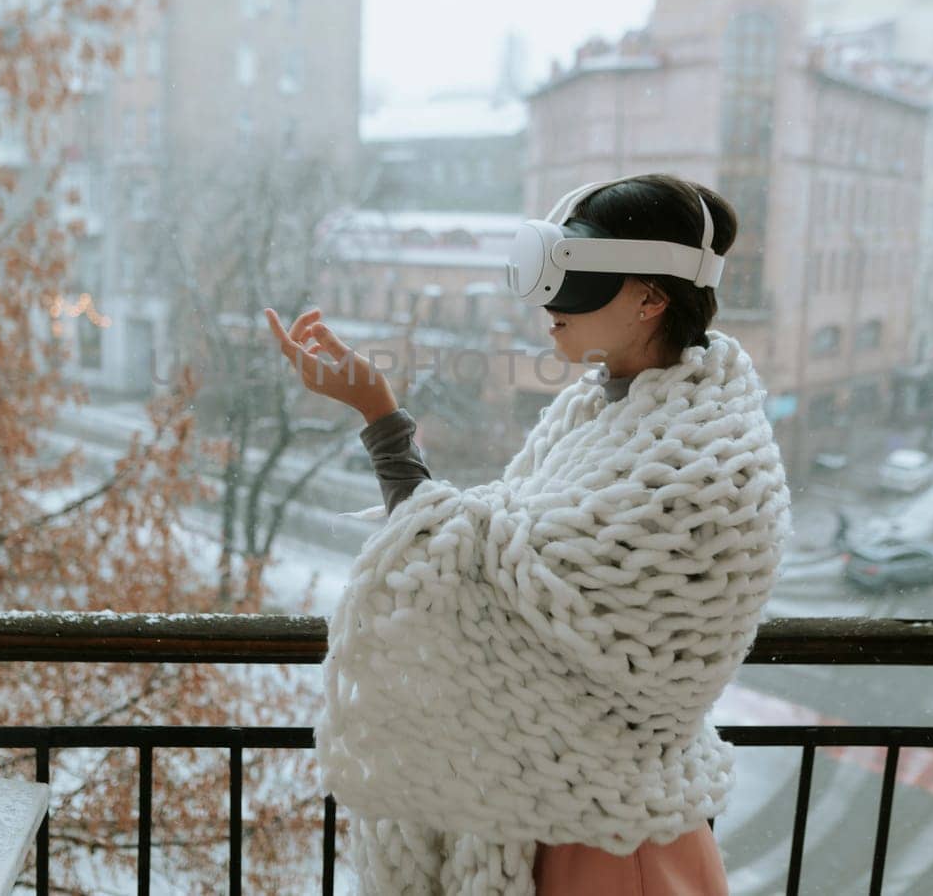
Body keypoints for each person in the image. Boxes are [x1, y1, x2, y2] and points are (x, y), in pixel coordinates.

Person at [264, 173, 792, 895]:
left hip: (610, 850)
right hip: (556, 817)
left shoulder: (708, 466)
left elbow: (488, 581)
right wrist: (378, 415)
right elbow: (491, 561)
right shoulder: (600, 412)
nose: (549, 306)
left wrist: (380, 416)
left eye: (576, 277)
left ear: (649, 296)